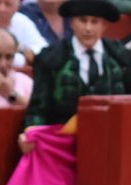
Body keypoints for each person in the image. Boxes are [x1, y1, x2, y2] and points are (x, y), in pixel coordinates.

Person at [22, 0, 129, 136]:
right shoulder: (51, 58)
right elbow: (38, 108)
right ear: (71, 23)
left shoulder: (122, 58)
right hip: (63, 139)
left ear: (104, 25)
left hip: (111, 137)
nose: (88, 28)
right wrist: (31, 134)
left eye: (94, 22)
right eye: (83, 21)